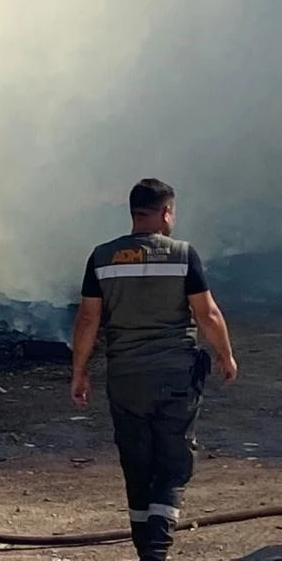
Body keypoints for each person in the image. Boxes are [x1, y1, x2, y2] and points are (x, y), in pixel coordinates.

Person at [70, 178, 238, 561]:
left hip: (125, 379)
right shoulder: (182, 255)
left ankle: (145, 548)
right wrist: (226, 356)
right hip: (175, 377)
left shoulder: (102, 257)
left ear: (134, 213)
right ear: (166, 213)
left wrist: (79, 372)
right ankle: (157, 550)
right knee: (173, 464)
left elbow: (87, 320)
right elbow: (208, 314)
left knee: (137, 464)